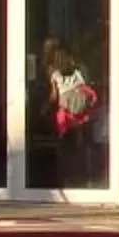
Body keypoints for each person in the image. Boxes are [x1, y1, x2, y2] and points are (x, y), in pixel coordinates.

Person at [41, 38, 103, 189]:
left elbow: (54, 96)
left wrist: (45, 107)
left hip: (65, 115)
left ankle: (66, 177)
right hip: (83, 113)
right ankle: (88, 176)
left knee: (64, 145)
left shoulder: (55, 74)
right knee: (84, 145)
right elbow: (88, 85)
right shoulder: (77, 69)